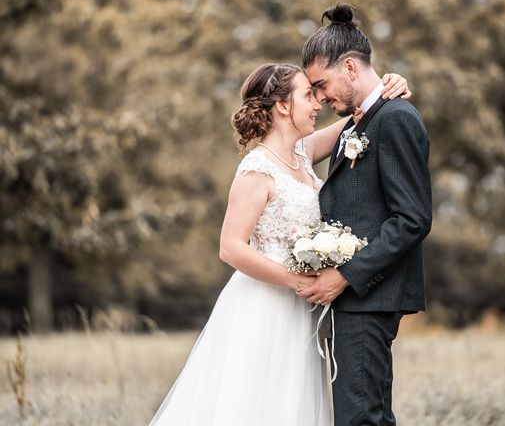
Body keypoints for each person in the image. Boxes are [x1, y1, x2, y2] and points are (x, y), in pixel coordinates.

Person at [148, 62, 410, 425]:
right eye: (308, 94)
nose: (318, 101)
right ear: (284, 106)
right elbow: (231, 247)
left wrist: (386, 86)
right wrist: (295, 280)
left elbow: (360, 116)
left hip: (301, 310)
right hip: (264, 305)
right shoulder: (258, 168)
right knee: (254, 404)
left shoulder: (303, 151)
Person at [298, 3, 432, 426]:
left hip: (367, 295)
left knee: (360, 419)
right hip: (356, 300)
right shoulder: (361, 121)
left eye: (322, 85)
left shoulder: (395, 119)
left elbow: (413, 218)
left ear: (351, 68)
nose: (320, 97)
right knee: (365, 416)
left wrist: (345, 275)